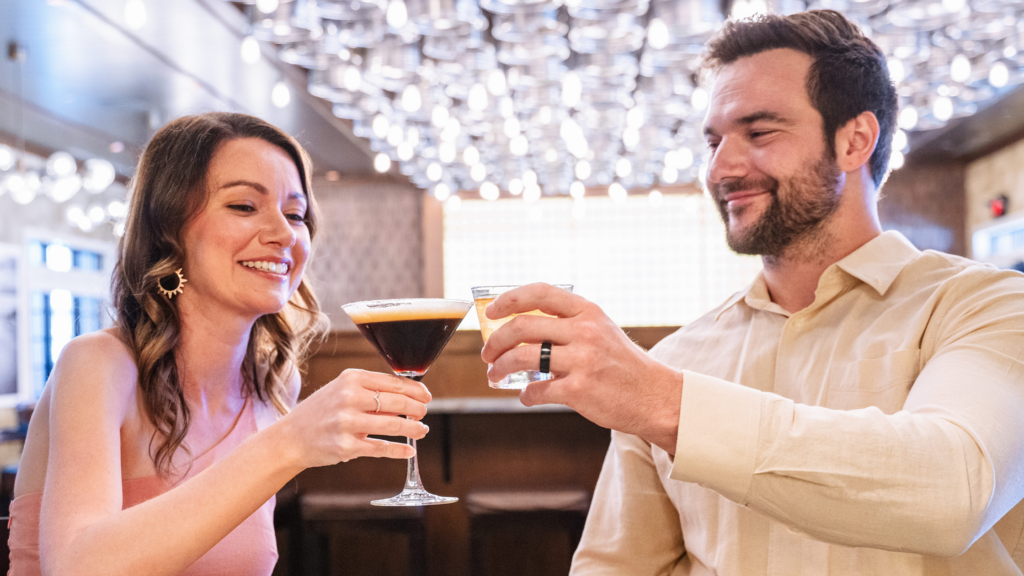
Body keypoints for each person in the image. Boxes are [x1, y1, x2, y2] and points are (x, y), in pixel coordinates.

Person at [481, 10, 1024, 574]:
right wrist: (660, 393)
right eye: (714, 141)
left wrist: (667, 403)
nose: (722, 168)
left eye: (759, 133)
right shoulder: (676, 358)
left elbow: (954, 491)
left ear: (855, 140)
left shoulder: (986, 307)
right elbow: (616, 566)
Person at [10, 112, 433, 576]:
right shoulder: (98, 365)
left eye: (295, 214)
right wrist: (287, 444)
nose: (283, 234)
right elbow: (76, 568)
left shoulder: (273, 384)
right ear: (168, 229)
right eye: (244, 206)